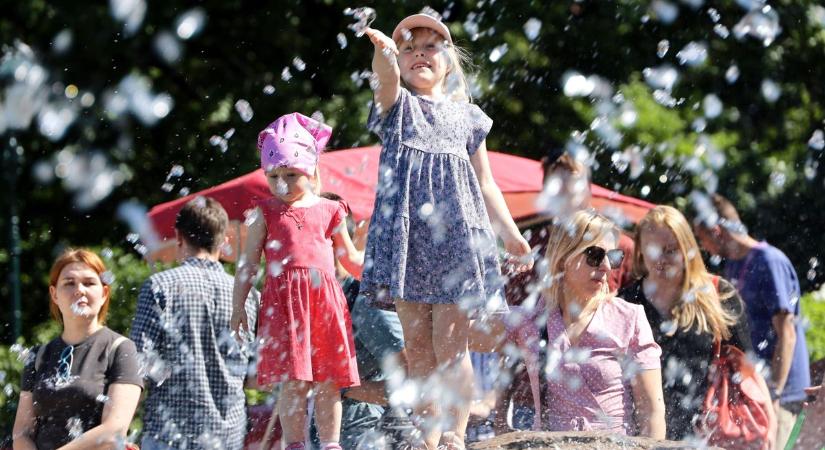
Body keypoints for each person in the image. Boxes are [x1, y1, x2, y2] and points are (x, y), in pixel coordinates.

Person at [360, 11, 532, 449]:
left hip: (456, 240)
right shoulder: (398, 108)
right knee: (418, 348)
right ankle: (428, 432)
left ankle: (456, 431)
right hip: (407, 241)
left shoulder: (469, 117)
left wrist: (510, 233)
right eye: (409, 49)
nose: (419, 53)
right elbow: (383, 81)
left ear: (448, 60)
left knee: (450, 344)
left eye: (429, 47)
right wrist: (383, 54)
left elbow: (486, 183)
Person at [231, 112, 364, 450]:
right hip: (284, 303)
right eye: (273, 176)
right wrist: (238, 306)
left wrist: (383, 270)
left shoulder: (330, 209)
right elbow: (247, 264)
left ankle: (331, 444)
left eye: (291, 174)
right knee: (293, 381)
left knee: (328, 379)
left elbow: (349, 257)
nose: (282, 184)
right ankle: (294, 443)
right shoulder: (265, 212)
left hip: (324, 301)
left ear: (311, 170)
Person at [511, 210, 666, 438]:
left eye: (612, 257)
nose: (605, 266)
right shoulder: (532, 318)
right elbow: (469, 334)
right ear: (564, 258)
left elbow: (652, 412)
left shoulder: (629, 318)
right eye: (594, 255)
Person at [619, 205, 767, 441]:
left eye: (670, 250)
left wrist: (767, 430)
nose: (661, 260)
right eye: (653, 249)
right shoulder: (625, 304)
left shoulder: (718, 296)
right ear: (640, 252)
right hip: (644, 438)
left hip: (709, 436)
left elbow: (749, 372)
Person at [130, 196, 259, 449]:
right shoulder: (249, 296)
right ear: (225, 241)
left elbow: (138, 365)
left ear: (178, 237)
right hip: (227, 436)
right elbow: (254, 374)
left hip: (168, 434)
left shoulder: (160, 286)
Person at [694, 193, 810, 448]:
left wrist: (775, 391)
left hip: (781, 391)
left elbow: (787, 334)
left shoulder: (769, 261)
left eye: (702, 239)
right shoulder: (734, 265)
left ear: (717, 231)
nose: (704, 248)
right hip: (754, 386)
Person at [13, 248, 143, 449]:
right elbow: (22, 432)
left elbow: (114, 429)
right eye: (69, 283)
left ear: (104, 293)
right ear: (54, 294)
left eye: (89, 283)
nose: (80, 290)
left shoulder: (120, 349)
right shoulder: (38, 356)